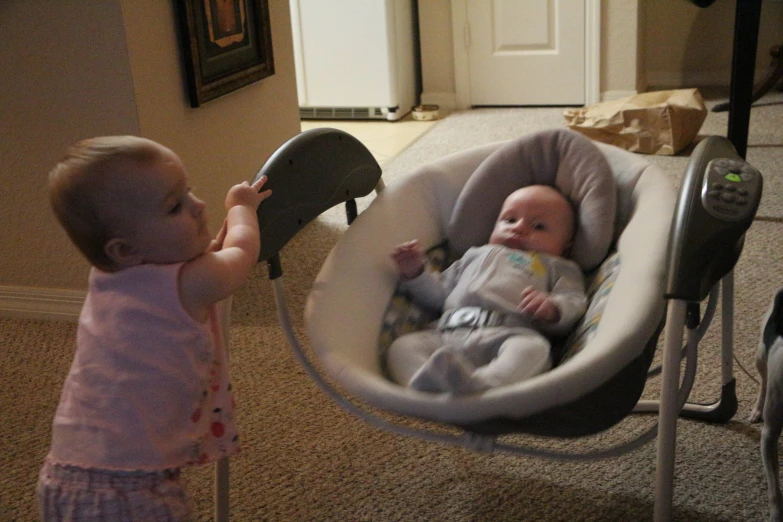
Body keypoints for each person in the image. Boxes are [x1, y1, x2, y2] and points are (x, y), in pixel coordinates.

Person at [37, 135, 271, 521]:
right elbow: (243, 252)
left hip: (65, 473)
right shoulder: (194, 281)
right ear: (125, 248)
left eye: (189, 191)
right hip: (131, 492)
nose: (198, 206)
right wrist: (242, 209)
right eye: (175, 206)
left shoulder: (111, 276)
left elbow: (201, 256)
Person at [386, 184, 587, 394]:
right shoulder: (474, 254)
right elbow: (438, 296)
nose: (518, 227)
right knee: (402, 347)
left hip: (510, 333)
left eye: (538, 226)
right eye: (509, 220)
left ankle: (484, 384)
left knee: (533, 350)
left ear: (565, 245)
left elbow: (574, 299)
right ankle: (425, 383)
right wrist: (416, 273)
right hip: (447, 333)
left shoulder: (557, 265)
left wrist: (553, 308)